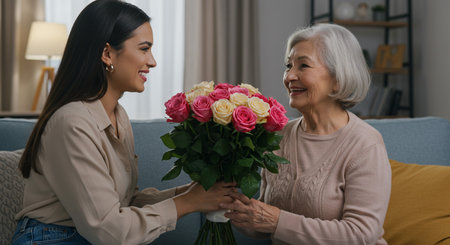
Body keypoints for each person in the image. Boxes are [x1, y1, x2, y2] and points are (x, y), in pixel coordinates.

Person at [11, 1, 234, 244]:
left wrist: (188, 194)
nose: (152, 61)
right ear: (107, 54)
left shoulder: (118, 116)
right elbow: (109, 230)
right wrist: (187, 203)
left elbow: (122, 205)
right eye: (144, 49)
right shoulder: (72, 122)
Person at [220, 23, 392, 245]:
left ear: (338, 77)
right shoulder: (277, 137)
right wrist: (235, 209)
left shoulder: (365, 143)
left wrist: (275, 221)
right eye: (288, 65)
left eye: (303, 66)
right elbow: (263, 225)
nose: (290, 76)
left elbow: (360, 234)